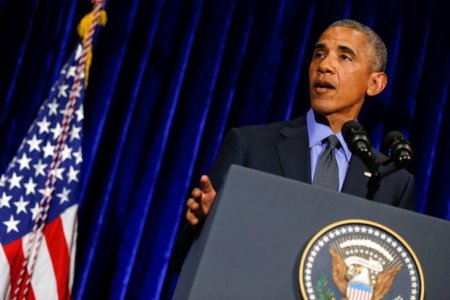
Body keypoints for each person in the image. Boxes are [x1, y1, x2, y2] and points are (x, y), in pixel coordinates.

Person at [171, 19, 416, 273]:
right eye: (319, 54)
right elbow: (182, 260)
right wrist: (205, 224)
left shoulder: (391, 181)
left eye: (344, 57)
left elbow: (395, 276)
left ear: (375, 83)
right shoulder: (250, 145)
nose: (325, 66)